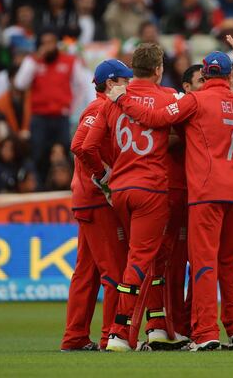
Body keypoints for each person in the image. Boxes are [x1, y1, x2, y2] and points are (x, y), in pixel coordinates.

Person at [107, 51, 233, 351]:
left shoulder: (194, 100)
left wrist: (121, 99)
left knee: (203, 263)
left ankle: (206, 332)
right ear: (227, 75)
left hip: (205, 191)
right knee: (232, 262)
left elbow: (155, 118)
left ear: (206, 76)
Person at [80, 43, 185, 352]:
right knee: (140, 259)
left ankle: (156, 326)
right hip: (152, 189)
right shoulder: (168, 97)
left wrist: (103, 177)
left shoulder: (112, 102)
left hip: (121, 190)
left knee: (148, 257)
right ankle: (119, 332)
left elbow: (86, 147)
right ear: (158, 70)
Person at [62, 60, 132, 351]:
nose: (130, 86)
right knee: (114, 272)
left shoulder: (103, 107)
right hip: (96, 200)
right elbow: (81, 146)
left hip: (88, 199)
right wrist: (104, 177)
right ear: (112, 82)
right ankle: (109, 337)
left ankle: (75, 337)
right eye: (126, 80)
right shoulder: (98, 108)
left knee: (86, 273)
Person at [14, 30, 83, 180]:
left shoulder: (70, 61)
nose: (48, 46)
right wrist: (36, 60)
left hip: (61, 117)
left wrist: (71, 107)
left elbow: (81, 87)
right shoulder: (32, 61)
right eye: (45, 43)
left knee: (65, 153)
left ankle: (68, 185)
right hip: (39, 117)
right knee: (38, 154)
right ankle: (39, 186)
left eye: (51, 42)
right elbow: (20, 83)